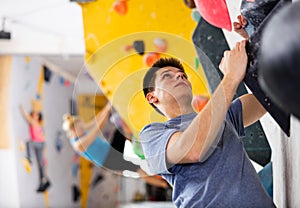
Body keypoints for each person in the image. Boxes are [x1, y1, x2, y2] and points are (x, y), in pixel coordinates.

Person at [140, 40, 276, 207]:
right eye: (167, 75)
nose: (179, 76)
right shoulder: (152, 136)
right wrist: (231, 77)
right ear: (152, 97)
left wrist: (250, 48)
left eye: (182, 75)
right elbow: (195, 149)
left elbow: (270, 95)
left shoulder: (223, 116)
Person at [62, 102, 169, 189]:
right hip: (108, 161)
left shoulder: (80, 131)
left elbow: (95, 121)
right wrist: (108, 110)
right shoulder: (78, 144)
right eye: (80, 127)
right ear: (73, 130)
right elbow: (97, 128)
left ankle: (140, 142)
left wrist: (107, 106)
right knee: (137, 169)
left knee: (119, 132)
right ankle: (165, 185)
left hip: (111, 149)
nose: (83, 128)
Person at [20, 104, 51, 192]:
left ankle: (29, 158)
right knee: (41, 165)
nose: (33, 116)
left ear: (37, 117)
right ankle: (44, 181)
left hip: (39, 143)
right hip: (40, 144)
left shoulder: (35, 122)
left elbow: (26, 115)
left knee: (29, 143)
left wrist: (22, 108)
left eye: (35, 115)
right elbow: (28, 116)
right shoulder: (36, 123)